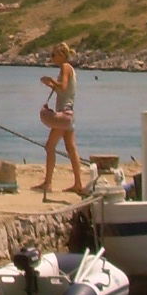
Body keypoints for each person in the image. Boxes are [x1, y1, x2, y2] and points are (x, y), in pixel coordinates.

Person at [38, 42, 86, 194]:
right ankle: (78, 183)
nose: (52, 58)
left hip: (64, 114)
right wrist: (52, 84)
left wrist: (50, 81)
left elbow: (63, 87)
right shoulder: (68, 69)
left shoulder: (65, 67)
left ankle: (48, 183)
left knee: (50, 146)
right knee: (71, 149)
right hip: (69, 114)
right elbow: (63, 90)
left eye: (53, 55)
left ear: (61, 55)